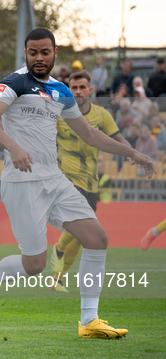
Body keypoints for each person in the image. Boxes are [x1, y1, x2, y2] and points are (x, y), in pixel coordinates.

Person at [0, 28, 155, 339]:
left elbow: (90, 135)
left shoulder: (62, 91)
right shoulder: (15, 82)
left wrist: (133, 152)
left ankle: (89, 321)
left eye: (44, 52)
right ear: (26, 54)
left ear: (55, 53)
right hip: (22, 183)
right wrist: (13, 147)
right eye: (32, 52)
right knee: (35, 265)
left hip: (54, 181)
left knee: (97, 238)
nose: (38, 58)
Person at [49, 70, 130, 292]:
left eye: (82, 87)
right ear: (69, 91)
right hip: (67, 180)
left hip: (90, 184)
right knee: (79, 229)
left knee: (83, 237)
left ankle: (58, 278)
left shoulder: (102, 115)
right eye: (73, 88)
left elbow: (117, 138)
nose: (78, 92)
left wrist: (133, 154)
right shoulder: (59, 114)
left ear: (90, 90)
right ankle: (58, 248)